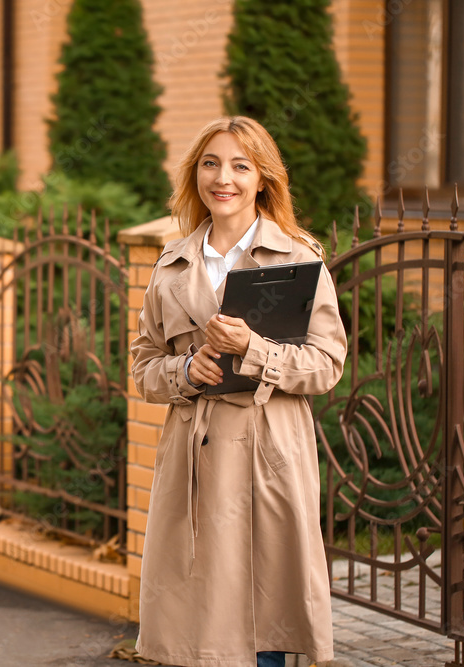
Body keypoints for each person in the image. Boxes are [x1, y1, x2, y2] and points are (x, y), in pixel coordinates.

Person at [130, 116, 347, 667]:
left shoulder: (298, 258)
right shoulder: (170, 263)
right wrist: (185, 372)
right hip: (194, 459)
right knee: (196, 621)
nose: (222, 178)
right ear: (195, 175)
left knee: (265, 617)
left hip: (268, 451)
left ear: (262, 180)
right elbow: (144, 367)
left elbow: (326, 364)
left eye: (239, 165)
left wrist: (254, 348)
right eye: (210, 163)